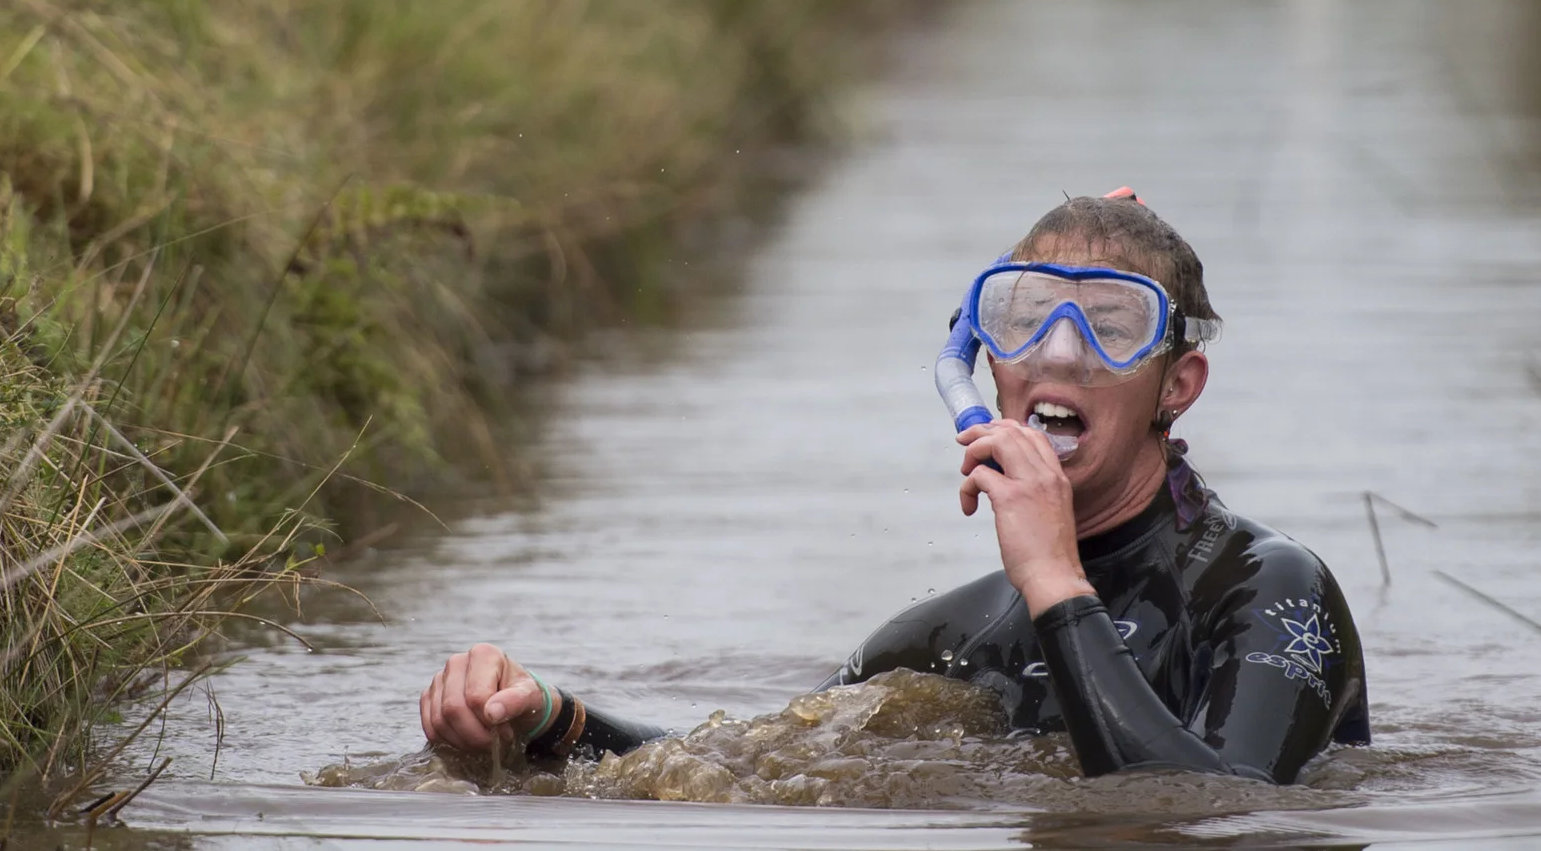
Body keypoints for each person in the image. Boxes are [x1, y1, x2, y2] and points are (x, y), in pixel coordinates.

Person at [418, 190, 1368, 784]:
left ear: (1178, 386)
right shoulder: (956, 638)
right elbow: (735, 769)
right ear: (985, 368)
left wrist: (1054, 580)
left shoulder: (1270, 591)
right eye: (1027, 314)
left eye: (1115, 324)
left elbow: (1214, 822)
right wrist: (544, 718)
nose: (1064, 351)